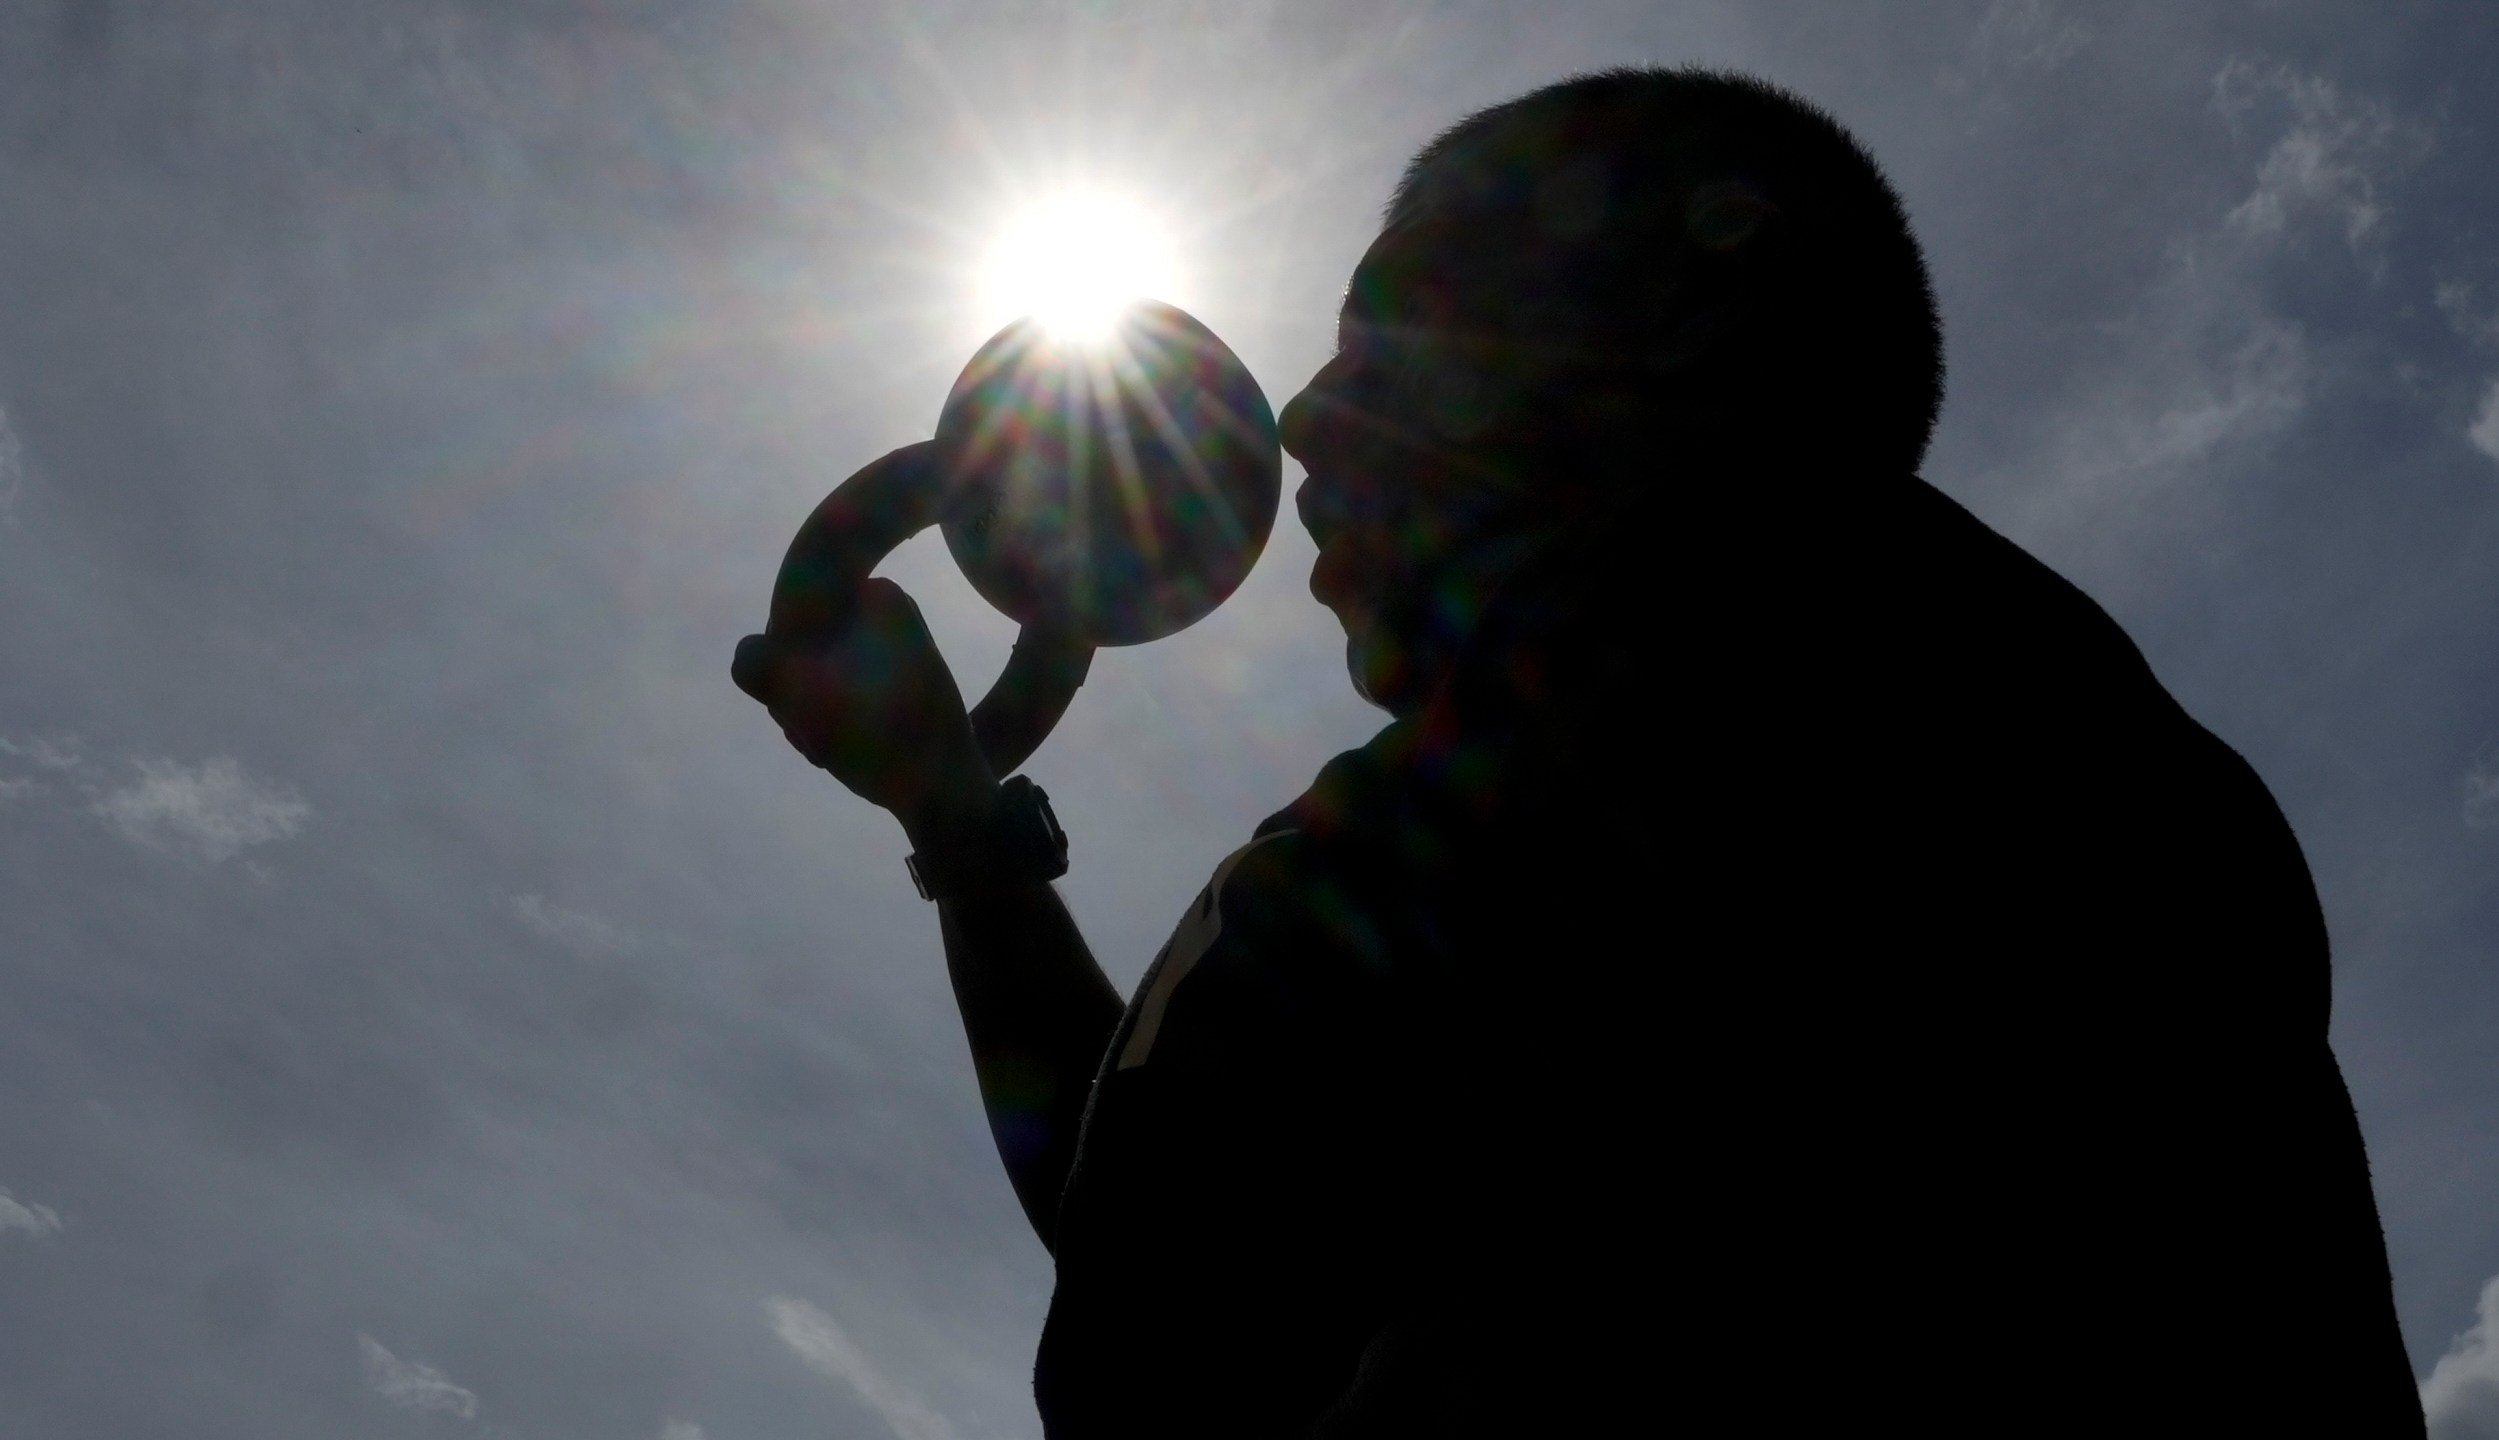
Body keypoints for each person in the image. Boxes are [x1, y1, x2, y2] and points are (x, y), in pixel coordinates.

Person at [735, 68, 2425, 1437]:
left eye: (1403, 344)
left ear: (1675, 349)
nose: (1313, 418)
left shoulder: (1738, 730)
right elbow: (1195, 1232)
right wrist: (957, 822)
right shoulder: (1521, 794)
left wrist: (961, 824)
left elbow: (1205, 1277)